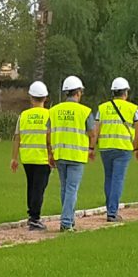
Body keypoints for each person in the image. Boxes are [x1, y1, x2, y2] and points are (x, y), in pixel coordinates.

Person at [93, 76, 138, 222]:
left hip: (105, 148)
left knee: (109, 178)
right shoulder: (132, 108)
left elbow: (96, 129)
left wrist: (92, 147)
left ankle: (110, 207)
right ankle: (112, 212)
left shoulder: (102, 108)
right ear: (126, 92)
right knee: (118, 179)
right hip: (123, 148)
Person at [47, 75, 93, 230]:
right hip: (77, 156)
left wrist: (50, 153)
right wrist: (91, 148)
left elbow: (48, 133)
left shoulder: (53, 111)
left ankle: (69, 219)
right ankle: (66, 222)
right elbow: (92, 133)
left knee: (65, 188)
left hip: (59, 154)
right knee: (72, 189)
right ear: (78, 92)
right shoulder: (85, 111)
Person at [11, 80, 54, 230]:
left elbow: (17, 137)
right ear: (45, 98)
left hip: (27, 158)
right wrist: (52, 156)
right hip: (43, 158)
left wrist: (14, 158)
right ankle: (35, 218)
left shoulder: (23, 116)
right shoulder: (50, 115)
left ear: (31, 97)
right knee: (39, 189)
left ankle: (32, 215)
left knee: (31, 187)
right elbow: (51, 138)